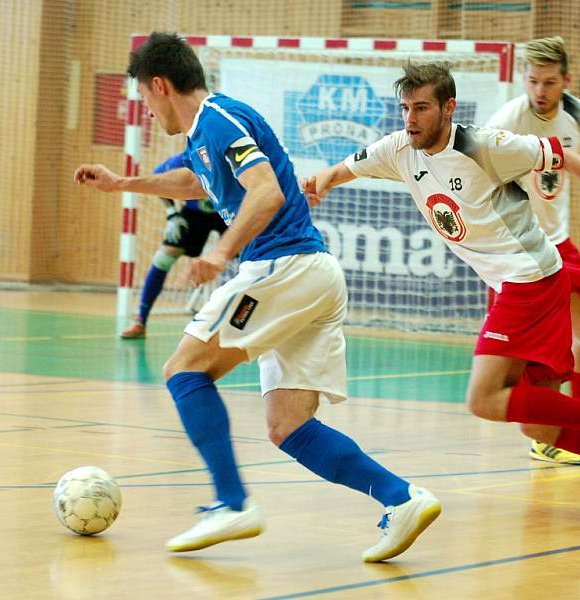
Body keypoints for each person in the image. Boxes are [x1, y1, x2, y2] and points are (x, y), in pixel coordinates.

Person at [74, 32, 440, 560]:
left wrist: (221, 255)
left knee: (183, 370)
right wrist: (122, 184)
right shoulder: (207, 132)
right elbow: (197, 182)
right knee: (288, 427)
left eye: (146, 99)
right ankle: (401, 498)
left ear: (160, 85)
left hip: (282, 267)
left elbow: (265, 191)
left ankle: (231, 503)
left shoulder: (219, 120)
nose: (148, 112)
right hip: (311, 275)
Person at [303, 61, 580, 516]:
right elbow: (345, 168)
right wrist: (321, 183)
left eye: (422, 108)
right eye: (406, 108)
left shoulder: (485, 145)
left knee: (483, 400)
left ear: (448, 107)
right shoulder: (398, 148)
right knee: (538, 427)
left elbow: (566, 157)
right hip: (522, 281)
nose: (411, 119)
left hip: (528, 280)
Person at [484, 37, 580, 465]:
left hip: (558, 242)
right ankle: (550, 434)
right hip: (519, 250)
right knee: (534, 361)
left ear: (566, 81)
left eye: (549, 82)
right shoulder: (506, 122)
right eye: (532, 81)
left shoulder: (576, 115)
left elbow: (564, 169)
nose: (539, 90)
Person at [121, 152, 228, 339]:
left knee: (250, 259)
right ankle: (140, 320)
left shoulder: (227, 158)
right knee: (163, 258)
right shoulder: (182, 160)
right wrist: (172, 214)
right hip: (194, 215)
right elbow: (157, 179)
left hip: (227, 212)